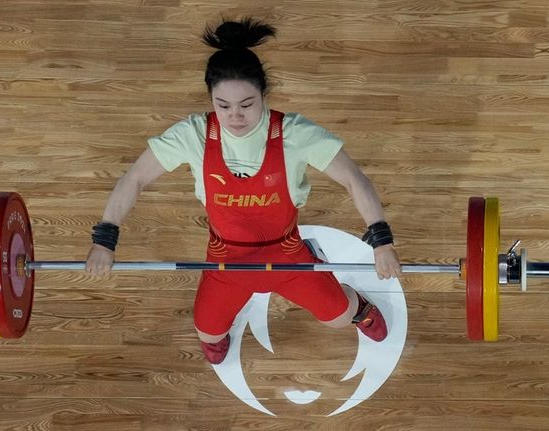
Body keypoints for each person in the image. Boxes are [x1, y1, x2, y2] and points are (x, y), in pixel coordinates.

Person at [86, 17, 402, 365]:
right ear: (210, 98)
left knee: (338, 318)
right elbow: (134, 179)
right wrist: (105, 240)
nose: (235, 116)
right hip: (226, 259)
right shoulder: (192, 135)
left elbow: (354, 179)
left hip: (286, 254)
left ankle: (360, 306)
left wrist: (382, 241)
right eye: (223, 106)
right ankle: (219, 328)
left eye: (247, 104)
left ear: (263, 94)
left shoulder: (294, 133)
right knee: (208, 332)